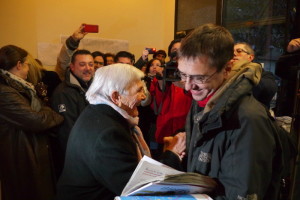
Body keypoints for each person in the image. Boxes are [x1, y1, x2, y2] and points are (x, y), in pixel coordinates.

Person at [177, 23, 285, 199]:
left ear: (227, 69)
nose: (188, 86)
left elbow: (241, 193)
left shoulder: (249, 120)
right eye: (183, 74)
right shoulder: (202, 101)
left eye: (200, 77)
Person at [55, 63, 186, 200]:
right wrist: (172, 154)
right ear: (116, 97)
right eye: (139, 91)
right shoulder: (109, 133)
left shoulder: (97, 113)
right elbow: (137, 189)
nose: (143, 96)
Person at [0, 45, 64, 200]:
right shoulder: (5, 92)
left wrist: (44, 111)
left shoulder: (20, 88)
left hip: (30, 151)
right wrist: (52, 112)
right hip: (21, 156)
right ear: (19, 65)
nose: (29, 68)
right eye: (27, 64)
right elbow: (36, 121)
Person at [50, 49, 94, 178]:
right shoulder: (63, 92)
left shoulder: (91, 86)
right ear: (72, 67)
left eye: (90, 64)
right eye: (82, 64)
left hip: (91, 152)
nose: (88, 68)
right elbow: (67, 132)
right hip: (77, 159)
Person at [150, 39, 192, 148]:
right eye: (174, 50)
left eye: (181, 50)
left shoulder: (193, 75)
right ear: (170, 54)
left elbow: (200, 102)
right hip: (164, 131)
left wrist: (187, 87)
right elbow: (156, 106)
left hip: (185, 132)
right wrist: (160, 82)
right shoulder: (162, 74)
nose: (177, 53)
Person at [231, 42, 277, 108]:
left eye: (239, 51)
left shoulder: (265, 75)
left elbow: (268, 90)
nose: (234, 54)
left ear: (250, 57)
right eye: (231, 52)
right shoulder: (224, 73)